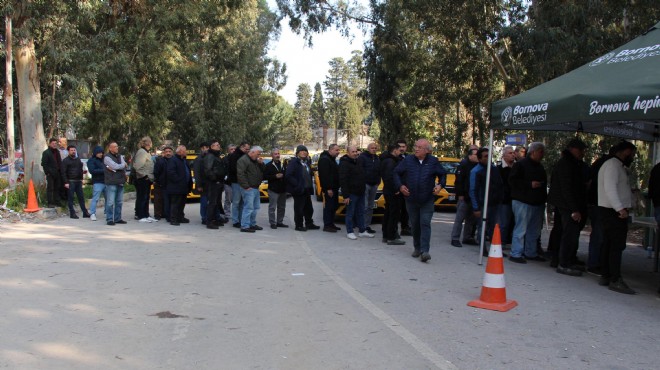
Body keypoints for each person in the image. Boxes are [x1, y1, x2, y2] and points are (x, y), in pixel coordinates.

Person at [393, 139, 446, 262]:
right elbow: (396, 173)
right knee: (415, 224)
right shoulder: (408, 160)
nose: (416, 149)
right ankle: (417, 247)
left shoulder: (433, 161)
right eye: (415, 146)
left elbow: (443, 174)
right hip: (411, 199)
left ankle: (425, 251)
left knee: (425, 223)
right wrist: (400, 186)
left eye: (419, 147)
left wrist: (440, 185)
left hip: (427, 198)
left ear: (427, 150)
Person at [597, 140, 637, 294]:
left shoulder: (616, 166)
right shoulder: (613, 166)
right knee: (616, 246)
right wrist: (620, 208)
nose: (632, 157)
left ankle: (606, 275)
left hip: (611, 210)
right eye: (632, 154)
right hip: (612, 211)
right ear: (626, 151)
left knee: (609, 244)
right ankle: (615, 278)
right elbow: (610, 188)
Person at [547, 139, 588, 276]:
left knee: (562, 231)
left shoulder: (568, 162)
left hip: (563, 203)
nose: (582, 153)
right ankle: (564, 263)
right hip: (567, 204)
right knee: (569, 234)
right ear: (572, 149)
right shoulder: (566, 164)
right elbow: (566, 188)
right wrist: (574, 209)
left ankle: (561, 259)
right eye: (580, 149)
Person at [508, 142, 547, 263]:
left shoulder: (540, 167)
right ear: (534, 152)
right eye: (541, 152)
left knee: (534, 231)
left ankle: (530, 252)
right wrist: (529, 184)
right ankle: (516, 253)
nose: (542, 155)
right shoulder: (520, 165)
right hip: (522, 201)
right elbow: (512, 181)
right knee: (521, 228)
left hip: (537, 202)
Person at [585, 145, 615, 275]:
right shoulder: (609, 165)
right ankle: (595, 263)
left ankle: (596, 261)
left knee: (599, 233)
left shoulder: (600, 164)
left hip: (595, 201)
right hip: (599, 203)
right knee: (599, 234)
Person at [470, 147, 503, 256]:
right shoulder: (476, 171)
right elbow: (473, 190)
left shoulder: (494, 169)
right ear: (479, 158)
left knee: (495, 227)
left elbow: (499, 185)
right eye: (485, 156)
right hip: (483, 204)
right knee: (482, 227)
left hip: (495, 203)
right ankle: (482, 248)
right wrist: (476, 207)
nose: (488, 158)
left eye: (489, 156)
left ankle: (495, 248)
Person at [339, 145, 375, 240]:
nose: (355, 153)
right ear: (348, 153)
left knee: (361, 212)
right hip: (351, 193)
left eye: (356, 151)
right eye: (353, 152)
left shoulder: (358, 161)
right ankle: (349, 231)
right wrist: (346, 195)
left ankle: (362, 231)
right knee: (350, 213)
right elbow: (343, 180)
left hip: (360, 192)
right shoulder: (344, 163)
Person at [286, 145, 320, 231]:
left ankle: (309, 223)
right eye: (301, 151)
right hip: (299, 190)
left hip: (307, 189)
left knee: (309, 208)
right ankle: (299, 225)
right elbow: (288, 175)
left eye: (305, 151)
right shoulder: (294, 162)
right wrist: (297, 184)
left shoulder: (307, 162)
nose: (304, 152)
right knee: (299, 209)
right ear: (297, 153)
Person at [450, 145, 479, 247]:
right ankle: (455, 238)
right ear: (470, 156)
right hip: (464, 196)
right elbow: (459, 181)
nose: (478, 156)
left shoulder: (479, 166)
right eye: (476, 154)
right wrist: (460, 194)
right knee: (459, 218)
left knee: (471, 220)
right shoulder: (464, 164)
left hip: (474, 197)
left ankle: (467, 237)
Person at [380, 143, 405, 245]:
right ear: (395, 150)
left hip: (389, 190)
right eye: (399, 150)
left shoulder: (389, 160)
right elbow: (389, 177)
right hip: (392, 191)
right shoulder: (390, 161)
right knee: (393, 214)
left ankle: (386, 235)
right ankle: (391, 236)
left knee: (389, 212)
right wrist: (396, 189)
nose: (401, 152)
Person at [237, 146, 265, 232]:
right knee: (248, 208)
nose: (259, 155)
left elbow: (263, 171)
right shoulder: (243, 160)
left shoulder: (255, 160)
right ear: (252, 152)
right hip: (248, 188)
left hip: (255, 187)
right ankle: (245, 226)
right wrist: (246, 186)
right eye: (258, 153)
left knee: (255, 207)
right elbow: (240, 174)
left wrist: (261, 164)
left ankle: (252, 224)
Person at [61, 145, 91, 219]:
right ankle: (72, 213)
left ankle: (85, 212)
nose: (73, 151)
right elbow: (63, 172)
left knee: (81, 197)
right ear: (68, 151)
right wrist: (66, 182)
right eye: (71, 150)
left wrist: (82, 179)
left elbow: (81, 170)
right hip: (70, 181)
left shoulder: (78, 160)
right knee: (70, 198)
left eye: (74, 150)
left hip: (78, 181)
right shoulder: (65, 161)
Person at [317, 144, 341, 232]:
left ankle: (331, 223)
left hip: (334, 188)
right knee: (329, 207)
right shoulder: (324, 160)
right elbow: (324, 176)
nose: (338, 152)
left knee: (334, 206)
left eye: (339, 150)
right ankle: (327, 225)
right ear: (330, 150)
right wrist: (328, 188)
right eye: (336, 150)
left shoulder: (332, 159)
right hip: (329, 189)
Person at [358, 143, 381, 234]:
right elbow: (359, 170)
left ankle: (367, 225)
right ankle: (362, 226)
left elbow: (379, 170)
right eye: (372, 148)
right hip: (365, 184)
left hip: (374, 184)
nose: (374, 149)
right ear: (368, 148)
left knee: (370, 206)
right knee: (365, 206)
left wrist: (378, 181)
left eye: (375, 148)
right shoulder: (362, 157)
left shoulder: (377, 158)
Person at [133, 136, 157, 223]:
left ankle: (146, 214)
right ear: (146, 143)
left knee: (146, 198)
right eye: (150, 141)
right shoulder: (141, 152)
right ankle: (141, 215)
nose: (151, 143)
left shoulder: (147, 152)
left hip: (148, 179)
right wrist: (145, 176)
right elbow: (138, 167)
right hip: (143, 179)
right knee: (142, 197)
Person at [166, 145, 192, 226]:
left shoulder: (183, 160)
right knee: (175, 204)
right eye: (184, 151)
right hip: (176, 187)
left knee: (182, 203)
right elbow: (171, 173)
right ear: (180, 151)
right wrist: (179, 180)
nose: (186, 152)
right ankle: (173, 219)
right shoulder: (173, 160)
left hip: (184, 186)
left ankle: (180, 217)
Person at [104, 142, 128, 225]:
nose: (117, 148)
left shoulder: (120, 156)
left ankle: (118, 218)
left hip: (120, 181)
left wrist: (121, 165)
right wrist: (122, 165)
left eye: (117, 146)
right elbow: (115, 166)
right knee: (110, 202)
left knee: (119, 202)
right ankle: (109, 219)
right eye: (114, 147)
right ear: (110, 148)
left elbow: (122, 166)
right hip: (111, 182)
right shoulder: (107, 157)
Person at [203, 140, 226, 229]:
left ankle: (215, 219)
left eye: (219, 145)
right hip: (213, 183)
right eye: (216, 145)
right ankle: (209, 222)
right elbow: (208, 170)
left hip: (219, 182)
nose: (218, 146)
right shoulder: (210, 156)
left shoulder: (216, 156)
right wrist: (215, 179)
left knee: (217, 202)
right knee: (212, 202)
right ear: (211, 147)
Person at [264, 148, 288, 229]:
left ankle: (280, 222)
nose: (277, 155)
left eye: (278, 153)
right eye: (275, 154)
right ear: (272, 155)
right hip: (273, 189)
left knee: (282, 207)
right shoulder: (268, 165)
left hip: (283, 189)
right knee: (272, 207)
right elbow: (265, 176)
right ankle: (272, 223)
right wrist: (275, 176)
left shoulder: (283, 164)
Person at [228, 142, 250, 228]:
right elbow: (233, 169)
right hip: (236, 182)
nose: (247, 151)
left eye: (248, 149)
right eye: (246, 149)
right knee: (236, 202)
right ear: (241, 147)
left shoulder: (245, 155)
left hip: (243, 181)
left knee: (242, 202)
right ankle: (235, 221)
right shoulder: (235, 156)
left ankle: (241, 219)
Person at [497, 146, 515, 246]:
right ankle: (501, 243)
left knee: (513, 223)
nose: (513, 155)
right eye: (510, 153)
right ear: (504, 156)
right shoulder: (499, 169)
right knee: (503, 223)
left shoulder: (517, 167)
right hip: (504, 200)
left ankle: (509, 241)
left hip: (516, 199)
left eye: (513, 153)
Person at [41, 138, 64, 207]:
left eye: (55, 144)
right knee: (50, 188)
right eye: (53, 143)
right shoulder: (46, 152)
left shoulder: (57, 152)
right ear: (50, 144)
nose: (54, 145)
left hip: (58, 173)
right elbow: (44, 164)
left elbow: (59, 162)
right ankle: (50, 202)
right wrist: (47, 172)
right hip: (50, 173)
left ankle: (57, 201)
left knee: (57, 187)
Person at [153, 146, 173, 221]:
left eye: (169, 151)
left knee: (168, 200)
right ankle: (157, 214)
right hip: (160, 184)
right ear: (163, 153)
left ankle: (165, 213)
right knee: (158, 200)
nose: (168, 153)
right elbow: (156, 172)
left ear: (172, 152)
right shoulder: (160, 161)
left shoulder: (173, 161)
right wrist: (158, 181)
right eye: (166, 152)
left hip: (170, 184)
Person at [396, 139, 412, 236]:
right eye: (400, 147)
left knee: (406, 209)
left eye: (403, 146)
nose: (402, 148)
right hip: (398, 187)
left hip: (407, 187)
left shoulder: (409, 158)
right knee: (396, 210)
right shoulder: (394, 158)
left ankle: (405, 228)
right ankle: (393, 231)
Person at [86, 145, 106, 221]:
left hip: (106, 181)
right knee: (95, 198)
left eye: (102, 153)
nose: (101, 154)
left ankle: (107, 212)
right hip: (98, 182)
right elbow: (92, 171)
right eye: (99, 153)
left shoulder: (104, 160)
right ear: (95, 153)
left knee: (108, 199)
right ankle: (92, 213)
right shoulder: (91, 161)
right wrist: (104, 170)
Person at [193, 142, 210, 224]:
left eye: (207, 147)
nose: (206, 149)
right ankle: (204, 217)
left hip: (209, 184)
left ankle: (209, 216)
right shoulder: (198, 159)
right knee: (204, 201)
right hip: (203, 184)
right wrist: (199, 185)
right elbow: (197, 173)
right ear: (201, 149)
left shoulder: (209, 158)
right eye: (204, 147)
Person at [223, 144, 237, 221]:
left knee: (236, 200)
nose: (233, 150)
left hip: (237, 183)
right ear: (228, 150)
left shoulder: (239, 158)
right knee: (228, 199)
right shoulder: (225, 159)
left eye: (234, 149)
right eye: (231, 149)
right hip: (228, 183)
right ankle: (227, 215)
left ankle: (236, 215)